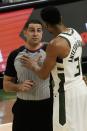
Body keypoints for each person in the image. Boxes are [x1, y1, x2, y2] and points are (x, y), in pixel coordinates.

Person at [20, 6, 87, 131]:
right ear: (60, 18)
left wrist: (33, 65)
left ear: (46, 25)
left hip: (66, 96)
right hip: (81, 88)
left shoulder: (55, 44)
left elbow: (43, 74)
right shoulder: (75, 33)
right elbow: (73, 52)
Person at [3, 19, 53, 131]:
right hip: (23, 108)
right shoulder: (15, 55)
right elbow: (6, 85)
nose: (35, 33)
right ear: (25, 32)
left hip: (47, 106)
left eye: (39, 30)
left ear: (42, 33)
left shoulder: (50, 51)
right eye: (31, 30)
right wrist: (18, 87)